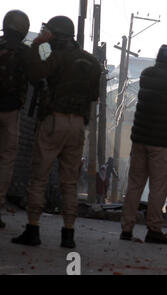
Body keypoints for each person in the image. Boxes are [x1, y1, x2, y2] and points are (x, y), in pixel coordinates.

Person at [12, 16, 101, 248]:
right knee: (70, 182)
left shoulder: (53, 55)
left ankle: (32, 230)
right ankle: (68, 234)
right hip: (78, 126)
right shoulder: (92, 62)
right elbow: (93, 97)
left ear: (55, 35)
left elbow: (35, 73)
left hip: (54, 121)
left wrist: (38, 43)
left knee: (39, 176)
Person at [120, 44, 167, 244]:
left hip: (139, 140)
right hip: (161, 144)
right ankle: (154, 229)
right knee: (158, 187)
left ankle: (126, 228)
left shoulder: (146, 74)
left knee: (134, 185)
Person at [0, 10, 31, 229]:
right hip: (11, 112)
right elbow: (45, 64)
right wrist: (43, 41)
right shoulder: (26, 52)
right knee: (6, 160)